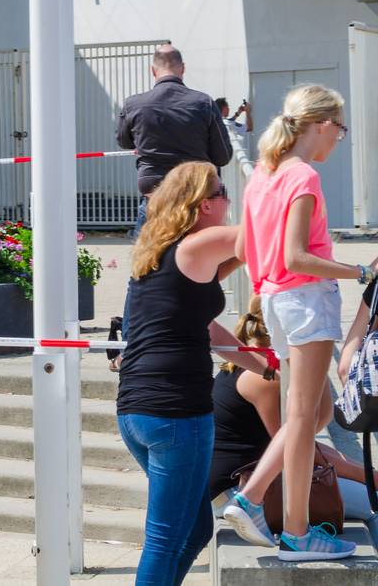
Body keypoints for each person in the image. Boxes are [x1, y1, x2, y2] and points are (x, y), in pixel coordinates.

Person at [233, 83, 376, 561]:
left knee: (302, 417)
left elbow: (247, 252)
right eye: (339, 127)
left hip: (274, 300)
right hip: (306, 300)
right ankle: (288, 526)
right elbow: (299, 256)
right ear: (321, 124)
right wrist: (360, 271)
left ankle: (270, 511)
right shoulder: (303, 177)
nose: (339, 137)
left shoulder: (262, 175)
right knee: (302, 419)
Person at [116, 161, 266, 585]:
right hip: (176, 414)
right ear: (203, 205)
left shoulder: (157, 253)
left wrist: (263, 366)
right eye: (223, 193)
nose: (229, 200)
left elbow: (207, 328)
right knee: (164, 539)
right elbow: (262, 236)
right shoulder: (198, 245)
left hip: (136, 413)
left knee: (198, 527)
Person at [210, 295, 378, 549]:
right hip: (235, 490)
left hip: (242, 484)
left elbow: (307, 437)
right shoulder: (265, 380)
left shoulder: (256, 364)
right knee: (373, 504)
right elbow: (297, 450)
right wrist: (372, 478)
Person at [115, 45, 233, 236]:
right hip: (194, 197)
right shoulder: (204, 103)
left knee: (147, 261)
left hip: (154, 194)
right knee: (202, 261)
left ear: (153, 71)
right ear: (183, 68)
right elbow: (223, 156)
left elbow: (124, 142)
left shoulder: (133, 104)